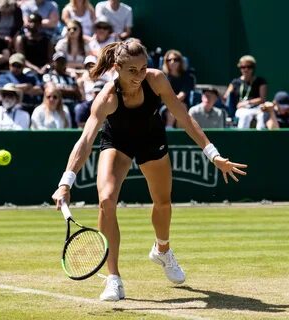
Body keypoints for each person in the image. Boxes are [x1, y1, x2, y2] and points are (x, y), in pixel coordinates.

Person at [51, 40, 247, 301]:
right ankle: (113, 278)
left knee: (163, 203)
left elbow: (185, 118)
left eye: (143, 68)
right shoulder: (107, 98)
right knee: (106, 201)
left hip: (151, 140)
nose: (139, 75)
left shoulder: (156, 80)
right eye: (132, 70)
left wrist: (214, 155)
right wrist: (66, 182)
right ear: (117, 68)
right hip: (117, 144)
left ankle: (162, 250)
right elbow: (86, 140)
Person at [223, 55, 270, 130]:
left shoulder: (260, 81)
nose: (246, 69)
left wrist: (247, 102)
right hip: (242, 110)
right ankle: (242, 140)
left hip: (257, 108)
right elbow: (226, 96)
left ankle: (261, 140)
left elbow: (262, 99)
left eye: (249, 67)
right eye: (243, 67)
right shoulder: (235, 82)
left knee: (262, 117)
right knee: (245, 116)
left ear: (253, 68)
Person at [161, 49, 195, 128]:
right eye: (169, 60)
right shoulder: (162, 76)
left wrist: (172, 102)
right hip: (165, 105)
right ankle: (169, 129)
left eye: (176, 60)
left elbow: (182, 95)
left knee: (181, 106)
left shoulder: (188, 77)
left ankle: (177, 131)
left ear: (181, 62)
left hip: (182, 104)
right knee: (177, 106)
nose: (172, 62)